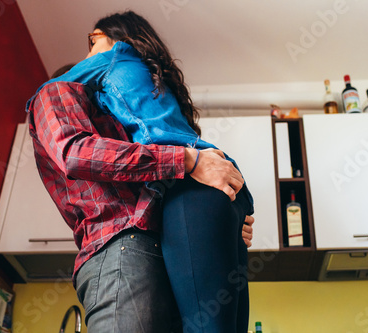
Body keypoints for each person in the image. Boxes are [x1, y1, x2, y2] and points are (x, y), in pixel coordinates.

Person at [28, 11, 255, 333]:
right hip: (119, 246)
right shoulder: (58, 90)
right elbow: (76, 154)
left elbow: (152, 174)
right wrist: (187, 162)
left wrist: (222, 218)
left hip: (156, 242)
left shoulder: (122, 110)